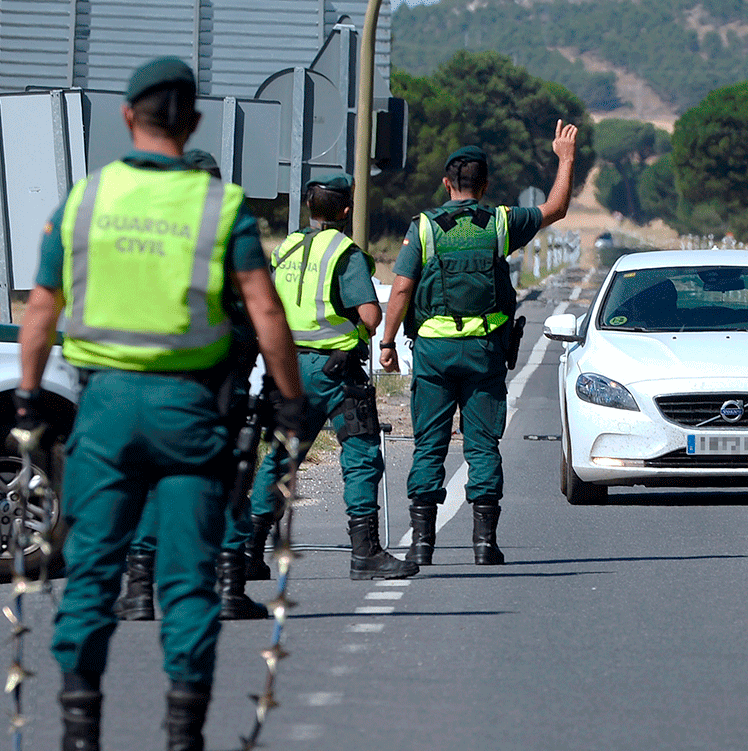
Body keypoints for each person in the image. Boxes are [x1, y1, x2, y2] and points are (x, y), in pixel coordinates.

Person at [14, 56, 305, 751]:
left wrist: (27, 398)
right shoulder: (221, 206)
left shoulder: (84, 200)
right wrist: (290, 403)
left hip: (105, 409)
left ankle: (80, 730)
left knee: (90, 575)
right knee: (188, 582)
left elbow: (41, 309)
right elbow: (265, 312)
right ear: (194, 122)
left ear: (127, 118)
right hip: (189, 410)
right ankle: (183, 735)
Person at [379, 121, 578, 566]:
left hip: (432, 353)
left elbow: (401, 289)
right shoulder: (501, 223)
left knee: (429, 445)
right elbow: (557, 207)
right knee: (483, 445)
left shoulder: (426, 227)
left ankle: (422, 545)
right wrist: (564, 158)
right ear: (485, 185)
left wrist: (388, 341)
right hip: (485, 352)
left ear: (446, 183)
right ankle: (485, 544)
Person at [112, 149, 270, 623]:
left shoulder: (154, 237)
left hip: (154, 384)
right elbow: (260, 312)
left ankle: (139, 591)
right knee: (228, 484)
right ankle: (228, 589)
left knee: (153, 485)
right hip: (220, 388)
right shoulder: (231, 235)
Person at [240, 173, 418, 581]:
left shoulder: (284, 248)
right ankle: (365, 552)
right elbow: (371, 316)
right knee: (360, 456)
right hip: (335, 372)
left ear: (308, 207)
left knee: (283, 456)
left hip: (287, 368)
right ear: (346, 211)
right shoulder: (345, 252)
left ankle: (250, 550)